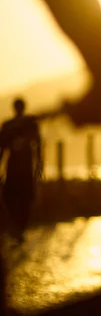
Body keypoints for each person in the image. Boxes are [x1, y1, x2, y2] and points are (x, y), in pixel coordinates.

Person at [0, 98, 42, 243]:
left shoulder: (23, 124)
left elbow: (38, 143)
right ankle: (19, 228)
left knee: (21, 198)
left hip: (21, 165)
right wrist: (39, 163)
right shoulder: (17, 124)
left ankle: (19, 228)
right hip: (18, 166)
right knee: (15, 197)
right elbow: (3, 147)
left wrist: (39, 163)